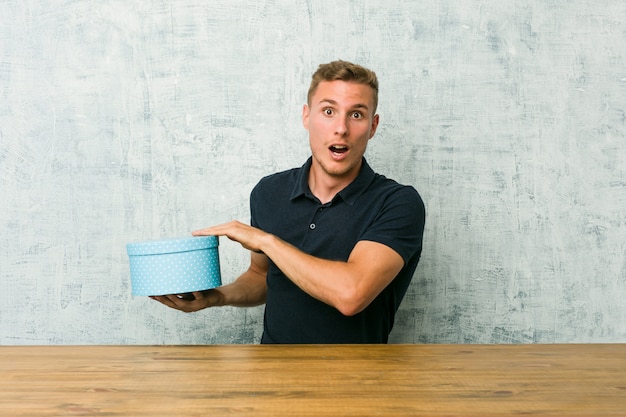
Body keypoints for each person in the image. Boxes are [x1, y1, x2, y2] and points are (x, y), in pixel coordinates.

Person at [152, 60, 426, 343]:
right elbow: (262, 276)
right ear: (307, 117)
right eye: (329, 111)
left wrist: (267, 241)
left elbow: (351, 295)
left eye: (356, 114)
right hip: (272, 374)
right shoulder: (269, 192)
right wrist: (217, 297)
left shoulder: (398, 203)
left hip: (354, 380)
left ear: (373, 126)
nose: (341, 128)